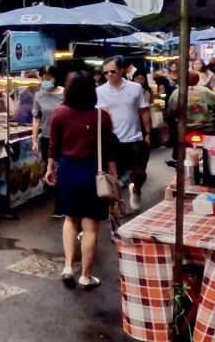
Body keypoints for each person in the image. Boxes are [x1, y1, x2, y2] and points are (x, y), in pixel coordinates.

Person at [44, 71, 118, 291]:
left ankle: (67, 267)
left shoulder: (60, 113)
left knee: (70, 220)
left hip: (67, 169)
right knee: (90, 227)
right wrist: (114, 180)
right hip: (92, 173)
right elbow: (109, 152)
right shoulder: (101, 117)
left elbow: (53, 145)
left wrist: (49, 168)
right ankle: (86, 275)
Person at [97, 56, 151, 212]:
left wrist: (148, 133)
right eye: (105, 72)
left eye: (112, 71)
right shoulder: (100, 91)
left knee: (139, 172)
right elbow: (102, 114)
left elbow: (144, 111)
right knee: (115, 176)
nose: (109, 75)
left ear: (121, 70)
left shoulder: (135, 88)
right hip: (112, 139)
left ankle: (136, 189)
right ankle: (118, 204)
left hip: (134, 137)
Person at [32, 65, 65, 218]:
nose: (45, 80)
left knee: (63, 171)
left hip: (65, 139)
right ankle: (60, 199)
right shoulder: (39, 96)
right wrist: (34, 139)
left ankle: (62, 204)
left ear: (56, 78)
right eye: (43, 77)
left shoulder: (65, 94)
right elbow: (36, 118)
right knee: (50, 170)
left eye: (48, 77)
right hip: (46, 138)